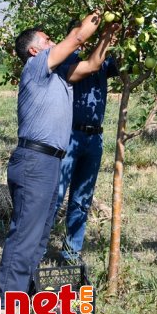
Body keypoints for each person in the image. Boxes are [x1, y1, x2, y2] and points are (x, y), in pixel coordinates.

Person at [0, 11, 119, 304]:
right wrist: (104, 10)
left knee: (39, 233)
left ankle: (25, 290)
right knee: (26, 232)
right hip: (34, 161)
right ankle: (9, 302)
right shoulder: (36, 66)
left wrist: (108, 36)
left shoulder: (59, 76)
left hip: (51, 161)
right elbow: (77, 37)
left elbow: (92, 64)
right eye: (47, 39)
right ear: (35, 49)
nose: (53, 42)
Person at [51, 21, 118, 263]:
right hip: (69, 135)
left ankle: (71, 250)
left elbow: (125, 64)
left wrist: (130, 34)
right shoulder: (66, 59)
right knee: (55, 195)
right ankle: (35, 248)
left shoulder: (102, 60)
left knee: (83, 197)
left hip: (94, 138)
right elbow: (90, 66)